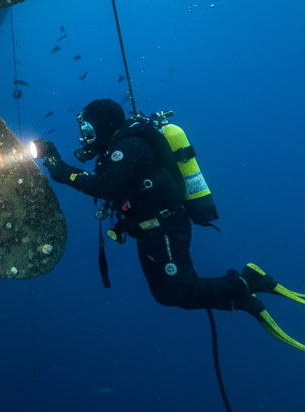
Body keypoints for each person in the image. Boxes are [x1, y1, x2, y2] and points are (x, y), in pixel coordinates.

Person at [33, 97, 305, 352]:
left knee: (182, 289)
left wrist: (65, 173)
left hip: (164, 225)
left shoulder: (130, 145)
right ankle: (241, 299)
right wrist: (60, 164)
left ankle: (250, 280)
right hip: (147, 230)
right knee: (166, 295)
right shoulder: (117, 149)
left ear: (103, 124)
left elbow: (105, 186)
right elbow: (108, 185)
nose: (85, 137)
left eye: (88, 128)